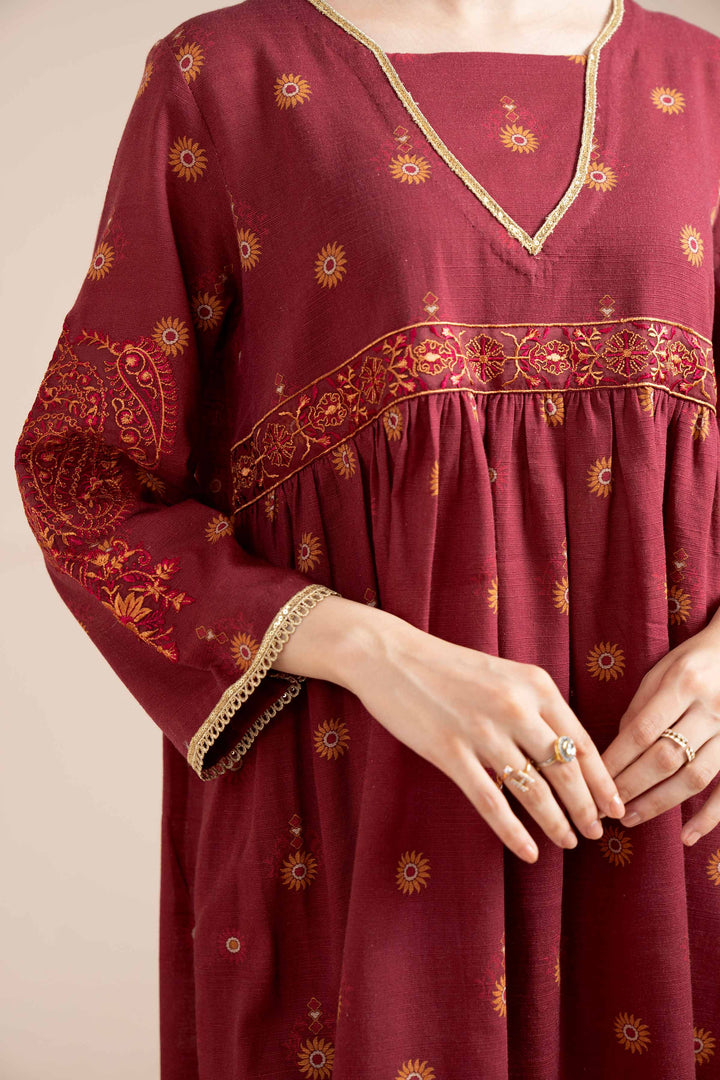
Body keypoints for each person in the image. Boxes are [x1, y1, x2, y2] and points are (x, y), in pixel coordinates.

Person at [14, 0, 720, 1074]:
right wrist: (372, 652)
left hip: (672, 820)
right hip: (359, 809)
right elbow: (86, 478)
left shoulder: (703, 80)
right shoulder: (225, 79)